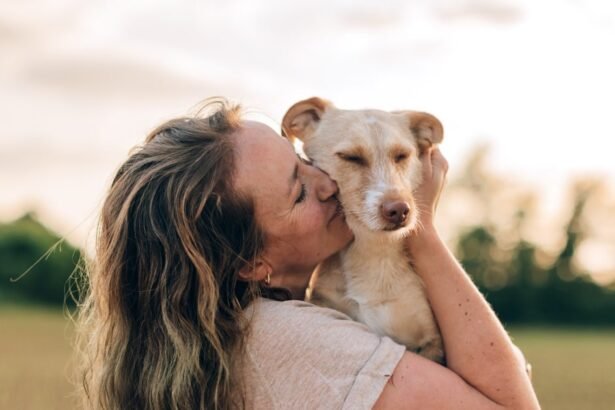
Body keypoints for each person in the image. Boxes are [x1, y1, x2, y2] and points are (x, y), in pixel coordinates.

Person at [75, 98, 540, 409]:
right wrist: (424, 227)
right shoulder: (287, 337)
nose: (328, 185)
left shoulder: (236, 327)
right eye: (299, 192)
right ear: (251, 263)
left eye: (304, 163)